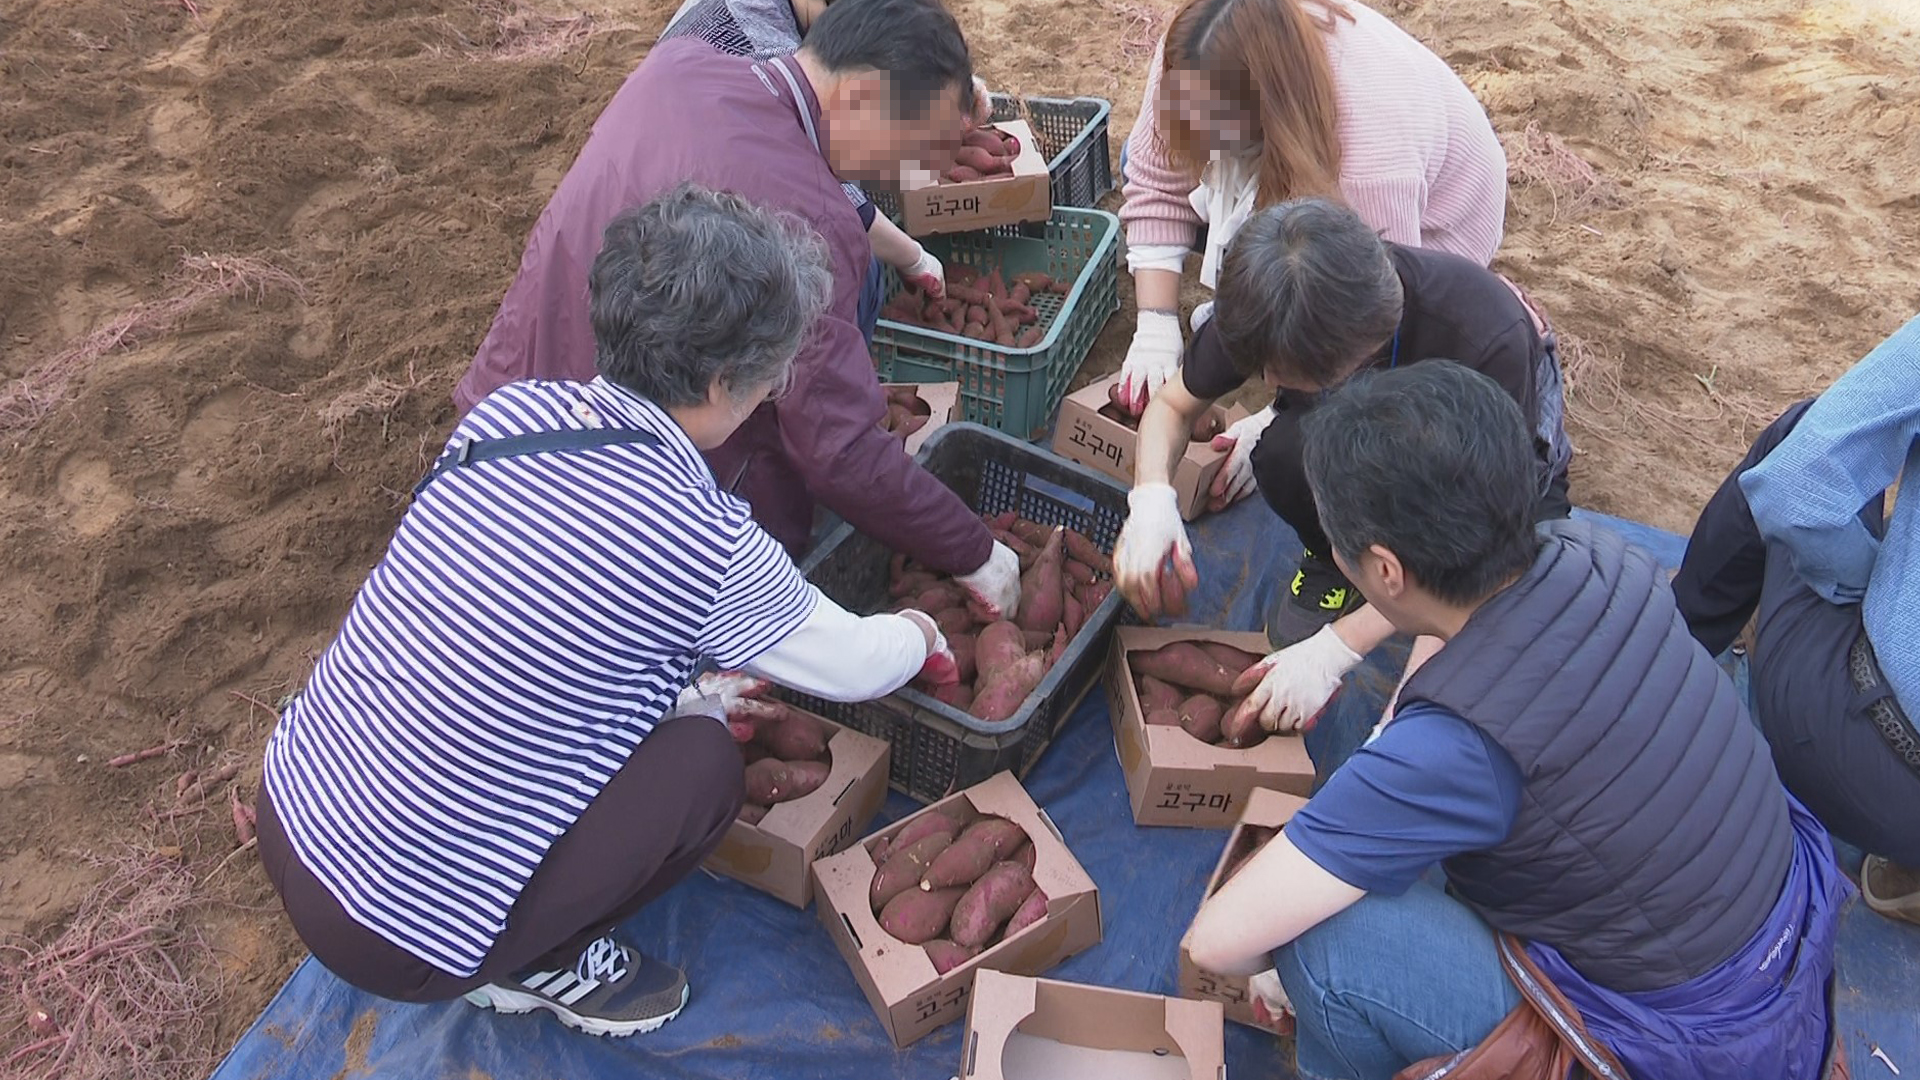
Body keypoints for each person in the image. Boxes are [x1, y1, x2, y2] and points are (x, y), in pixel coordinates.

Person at [258, 186, 958, 1038]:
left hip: (291, 815)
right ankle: (541, 964)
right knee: (705, 767)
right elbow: (854, 666)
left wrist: (680, 692)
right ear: (716, 382)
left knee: (690, 709)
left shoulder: (514, 416)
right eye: (772, 370)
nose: (779, 386)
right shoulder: (702, 539)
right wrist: (920, 632)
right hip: (397, 944)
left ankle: (496, 928)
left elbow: (524, 629)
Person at [1184, 361, 1847, 1080]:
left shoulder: (1456, 747)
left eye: (1337, 543)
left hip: (1696, 1048)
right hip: (1786, 952)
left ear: (1384, 571)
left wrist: (1272, 950)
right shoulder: (1595, 555)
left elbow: (1216, 944)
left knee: (1322, 944)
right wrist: (1345, 658)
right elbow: (1451, 635)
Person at [452, 0, 1023, 618]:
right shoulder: (808, 220)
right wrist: (974, 552)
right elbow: (839, 450)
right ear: (860, 96)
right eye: (919, 144)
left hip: (509, 413)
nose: (912, 172)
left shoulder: (684, 62)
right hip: (616, 496)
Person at [1114, 198, 1571, 734]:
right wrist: (1150, 499)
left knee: (1522, 596)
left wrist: (1338, 650)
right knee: (1281, 455)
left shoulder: (1480, 336)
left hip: (1496, 479)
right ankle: (1337, 563)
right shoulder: (1272, 301)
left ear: (1354, 355)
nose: (1270, 383)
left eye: (1281, 376)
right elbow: (1172, 407)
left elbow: (1482, 551)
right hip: (1366, 419)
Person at [1114, 0, 1508, 414]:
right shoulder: (1197, 48)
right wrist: (1155, 323)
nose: (1200, 137)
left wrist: (1274, 418)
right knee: (1142, 156)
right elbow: (1153, 177)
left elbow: (1365, 314)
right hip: (1292, 153)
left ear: (1268, 111)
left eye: (1216, 124)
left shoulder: (1368, 165)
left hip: (1440, 225)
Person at [1673, 312, 1920, 925]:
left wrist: (1865, 588)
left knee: (1802, 437)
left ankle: (1664, 656)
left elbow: (1797, 488)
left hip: (1863, 757)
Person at [655, 0, 995, 304]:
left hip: (685, 198)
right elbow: (827, 193)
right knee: (857, 262)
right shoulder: (761, 49)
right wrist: (913, 257)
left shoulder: (787, 22)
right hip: (685, 255)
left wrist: (953, 88)